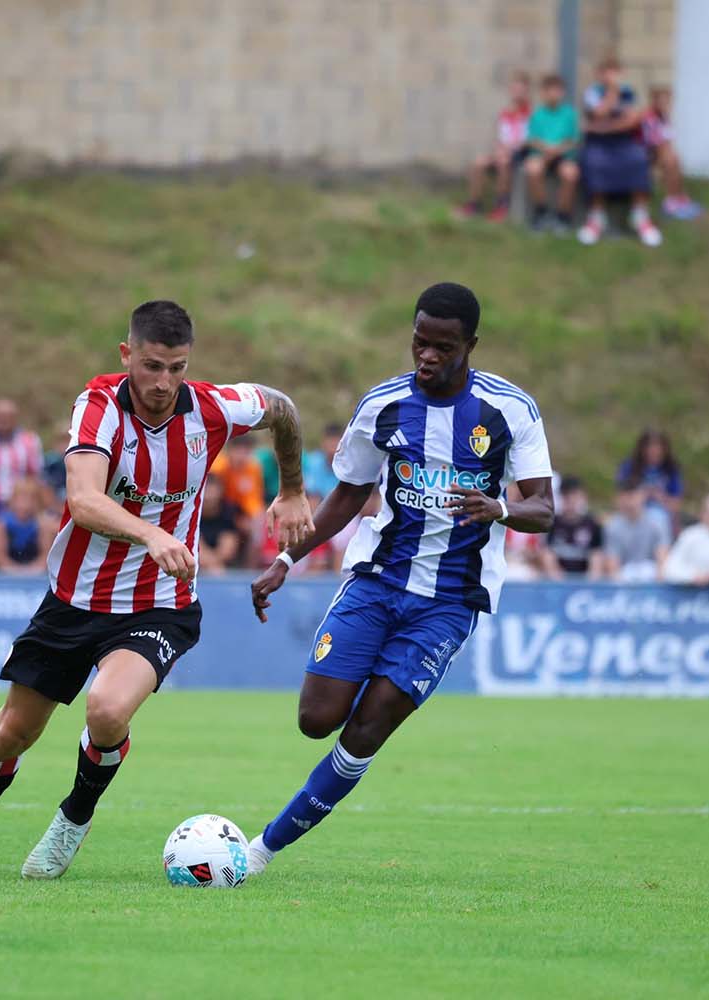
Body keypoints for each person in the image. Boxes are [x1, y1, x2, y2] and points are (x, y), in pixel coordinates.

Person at [0, 299, 311, 881]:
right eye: (152, 366)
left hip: (160, 604)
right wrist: (152, 533)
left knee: (105, 711)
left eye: (177, 367)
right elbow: (82, 500)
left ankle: (73, 820)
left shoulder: (213, 409)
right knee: (12, 734)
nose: (164, 382)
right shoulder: (98, 407)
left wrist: (294, 489)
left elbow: (282, 409)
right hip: (73, 601)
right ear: (127, 355)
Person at [244, 282, 554, 876]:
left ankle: (263, 850)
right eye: (420, 342)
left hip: (451, 599)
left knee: (369, 726)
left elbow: (544, 508)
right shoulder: (383, 406)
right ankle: (362, 679)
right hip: (377, 580)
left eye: (443, 346)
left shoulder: (511, 411)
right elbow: (346, 497)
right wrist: (287, 560)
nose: (427, 356)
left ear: (471, 345)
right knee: (316, 720)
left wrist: (501, 510)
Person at [577, 57, 663, 247]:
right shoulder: (592, 92)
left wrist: (602, 127)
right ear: (598, 74)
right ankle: (596, 218)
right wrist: (612, 93)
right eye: (605, 71)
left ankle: (640, 216)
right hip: (598, 144)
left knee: (638, 159)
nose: (610, 75)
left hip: (623, 141)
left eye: (614, 71)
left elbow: (632, 120)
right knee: (594, 162)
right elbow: (598, 113)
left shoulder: (628, 92)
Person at [458, 70, 532, 222]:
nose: (517, 93)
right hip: (503, 151)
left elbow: (528, 140)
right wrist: (498, 149)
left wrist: (508, 150)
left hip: (520, 153)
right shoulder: (505, 113)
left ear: (526, 92)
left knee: (503, 162)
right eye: (514, 89)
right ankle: (474, 204)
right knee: (479, 162)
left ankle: (501, 205)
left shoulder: (531, 113)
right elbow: (500, 137)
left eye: (520, 90)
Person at [522, 73, 582, 233]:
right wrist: (546, 148)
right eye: (550, 90)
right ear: (543, 92)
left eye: (557, 90)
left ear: (562, 93)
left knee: (570, 174)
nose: (553, 94)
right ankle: (541, 211)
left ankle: (563, 216)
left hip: (563, 155)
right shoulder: (537, 114)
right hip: (541, 153)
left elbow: (575, 139)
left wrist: (558, 149)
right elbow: (531, 139)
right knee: (533, 169)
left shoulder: (570, 114)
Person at [642, 86, 702, 220]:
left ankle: (679, 197)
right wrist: (667, 154)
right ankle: (670, 202)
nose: (665, 104)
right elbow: (654, 143)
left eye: (667, 101)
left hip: (661, 152)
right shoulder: (649, 117)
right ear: (654, 101)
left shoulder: (664, 116)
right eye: (661, 101)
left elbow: (667, 141)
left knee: (675, 159)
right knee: (670, 161)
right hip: (647, 153)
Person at [617, 429, 682, 537]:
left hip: (660, 514)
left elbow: (675, 505)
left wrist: (659, 496)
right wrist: (640, 496)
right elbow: (620, 498)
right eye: (650, 447)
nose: (654, 451)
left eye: (658, 448)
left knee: (657, 519)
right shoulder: (630, 467)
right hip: (633, 512)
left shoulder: (670, 469)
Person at [602, 482, 669, 582]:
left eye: (632, 496)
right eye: (624, 497)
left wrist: (660, 583)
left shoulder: (657, 521)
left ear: (642, 496)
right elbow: (612, 562)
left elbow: (662, 556)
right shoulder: (613, 526)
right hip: (624, 574)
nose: (629, 502)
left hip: (651, 572)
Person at [0, 476, 53, 574]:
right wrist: (16, 572)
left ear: (36, 502)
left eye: (28, 499)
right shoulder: (1, 523)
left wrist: (30, 572)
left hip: (36, 573)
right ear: (13, 500)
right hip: (7, 573)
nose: (23, 504)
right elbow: (0, 558)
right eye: (20, 498)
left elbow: (45, 557)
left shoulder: (44, 524)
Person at [543, 476, 605, 578]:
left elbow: (597, 555)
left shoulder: (592, 524)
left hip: (585, 579)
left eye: (574, 495)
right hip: (559, 579)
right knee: (547, 556)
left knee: (597, 558)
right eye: (566, 496)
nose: (571, 500)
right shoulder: (552, 523)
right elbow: (547, 552)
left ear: (582, 496)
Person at [196, 474, 245, 573]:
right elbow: (195, 544)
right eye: (207, 491)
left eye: (213, 491)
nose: (209, 497)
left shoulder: (230, 511)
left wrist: (215, 564)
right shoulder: (191, 511)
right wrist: (210, 564)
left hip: (226, 568)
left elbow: (229, 546)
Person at [301, 423, 344, 502]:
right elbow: (312, 495)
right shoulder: (313, 461)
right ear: (323, 443)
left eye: (335, 443)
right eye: (330, 442)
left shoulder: (349, 467)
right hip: (319, 507)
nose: (332, 447)